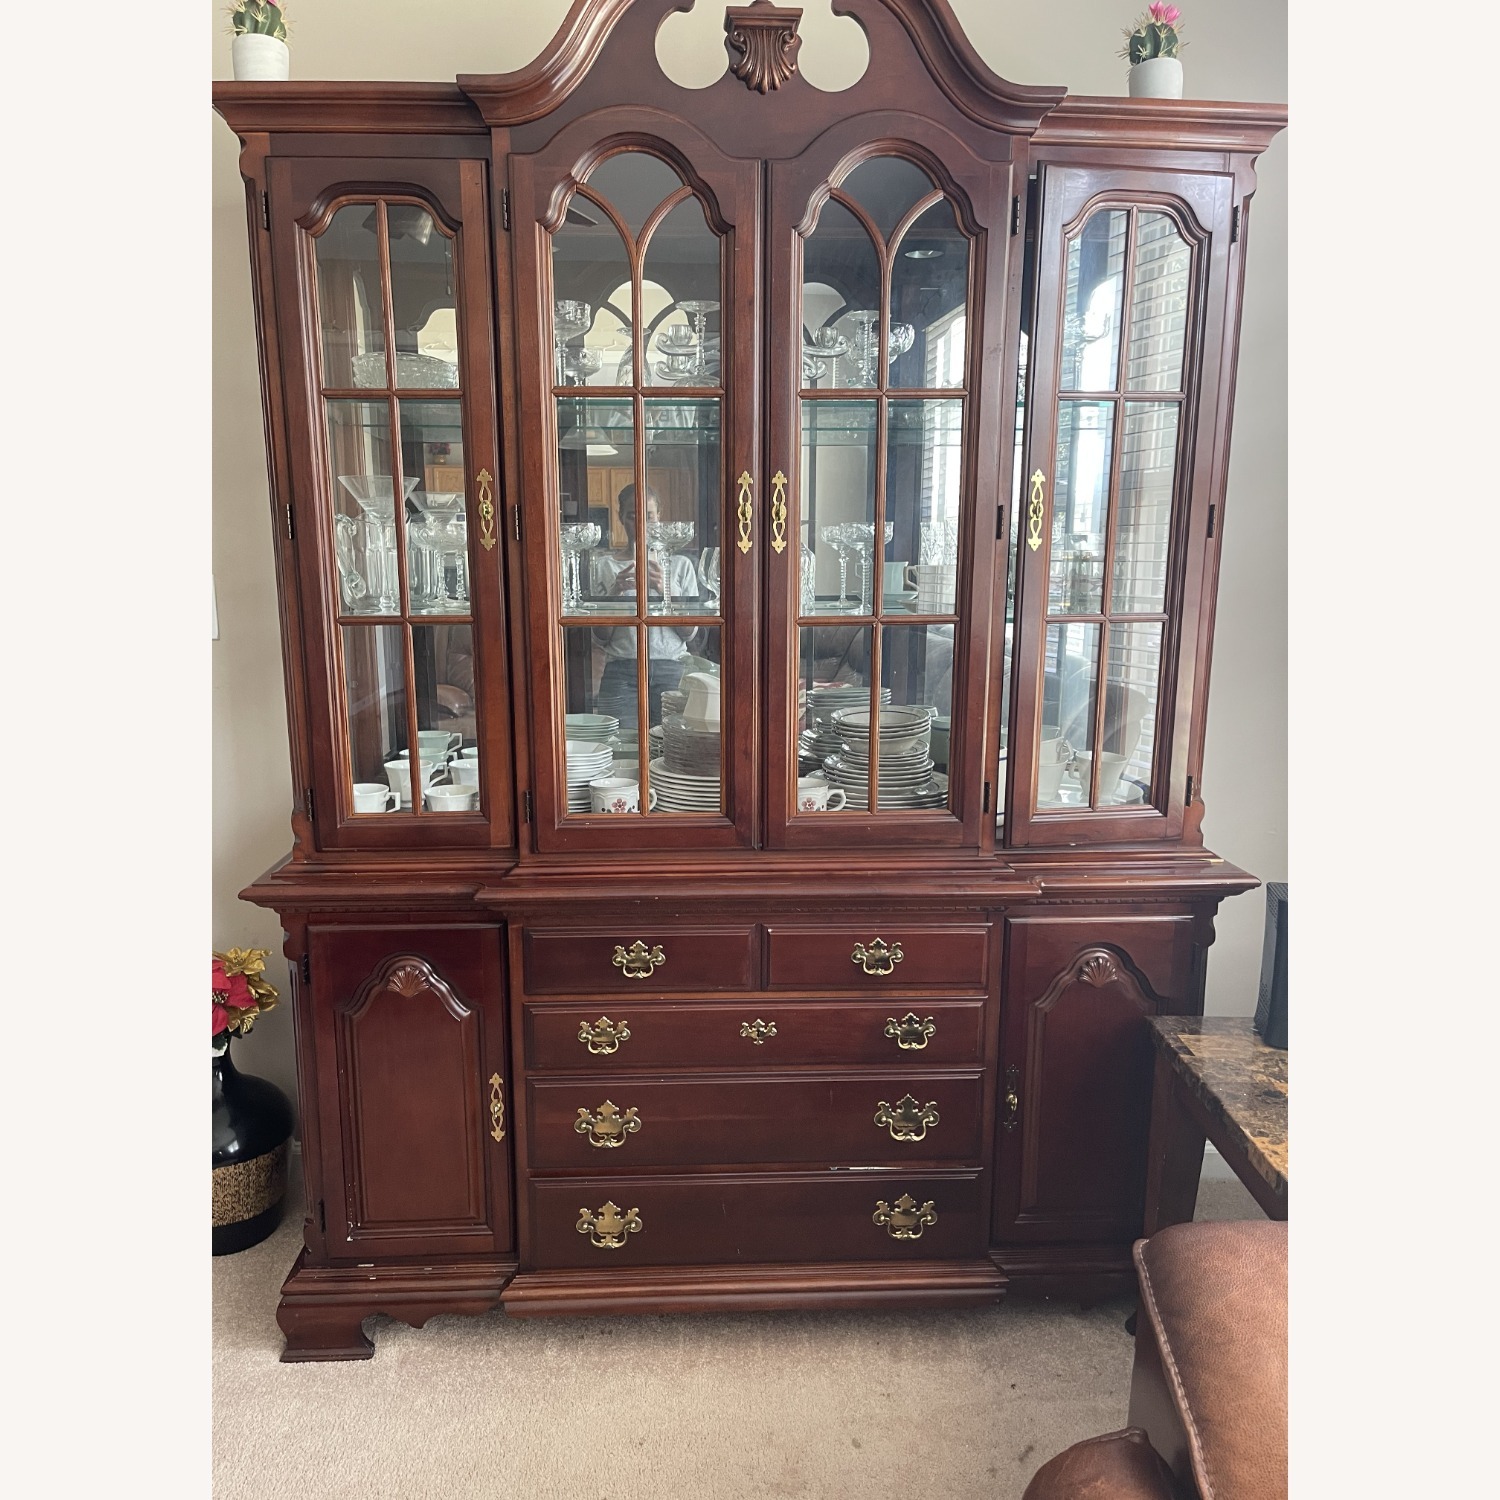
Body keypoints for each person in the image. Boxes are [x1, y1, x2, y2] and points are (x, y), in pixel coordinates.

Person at [591, 483, 701, 725]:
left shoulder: (680, 566)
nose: (641, 523)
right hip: (621, 668)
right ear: (621, 518)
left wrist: (666, 590)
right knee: (619, 741)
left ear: (659, 516)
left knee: (673, 741)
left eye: (648, 516)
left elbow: (690, 633)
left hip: (672, 667)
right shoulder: (604, 567)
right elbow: (600, 637)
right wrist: (615, 592)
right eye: (632, 516)